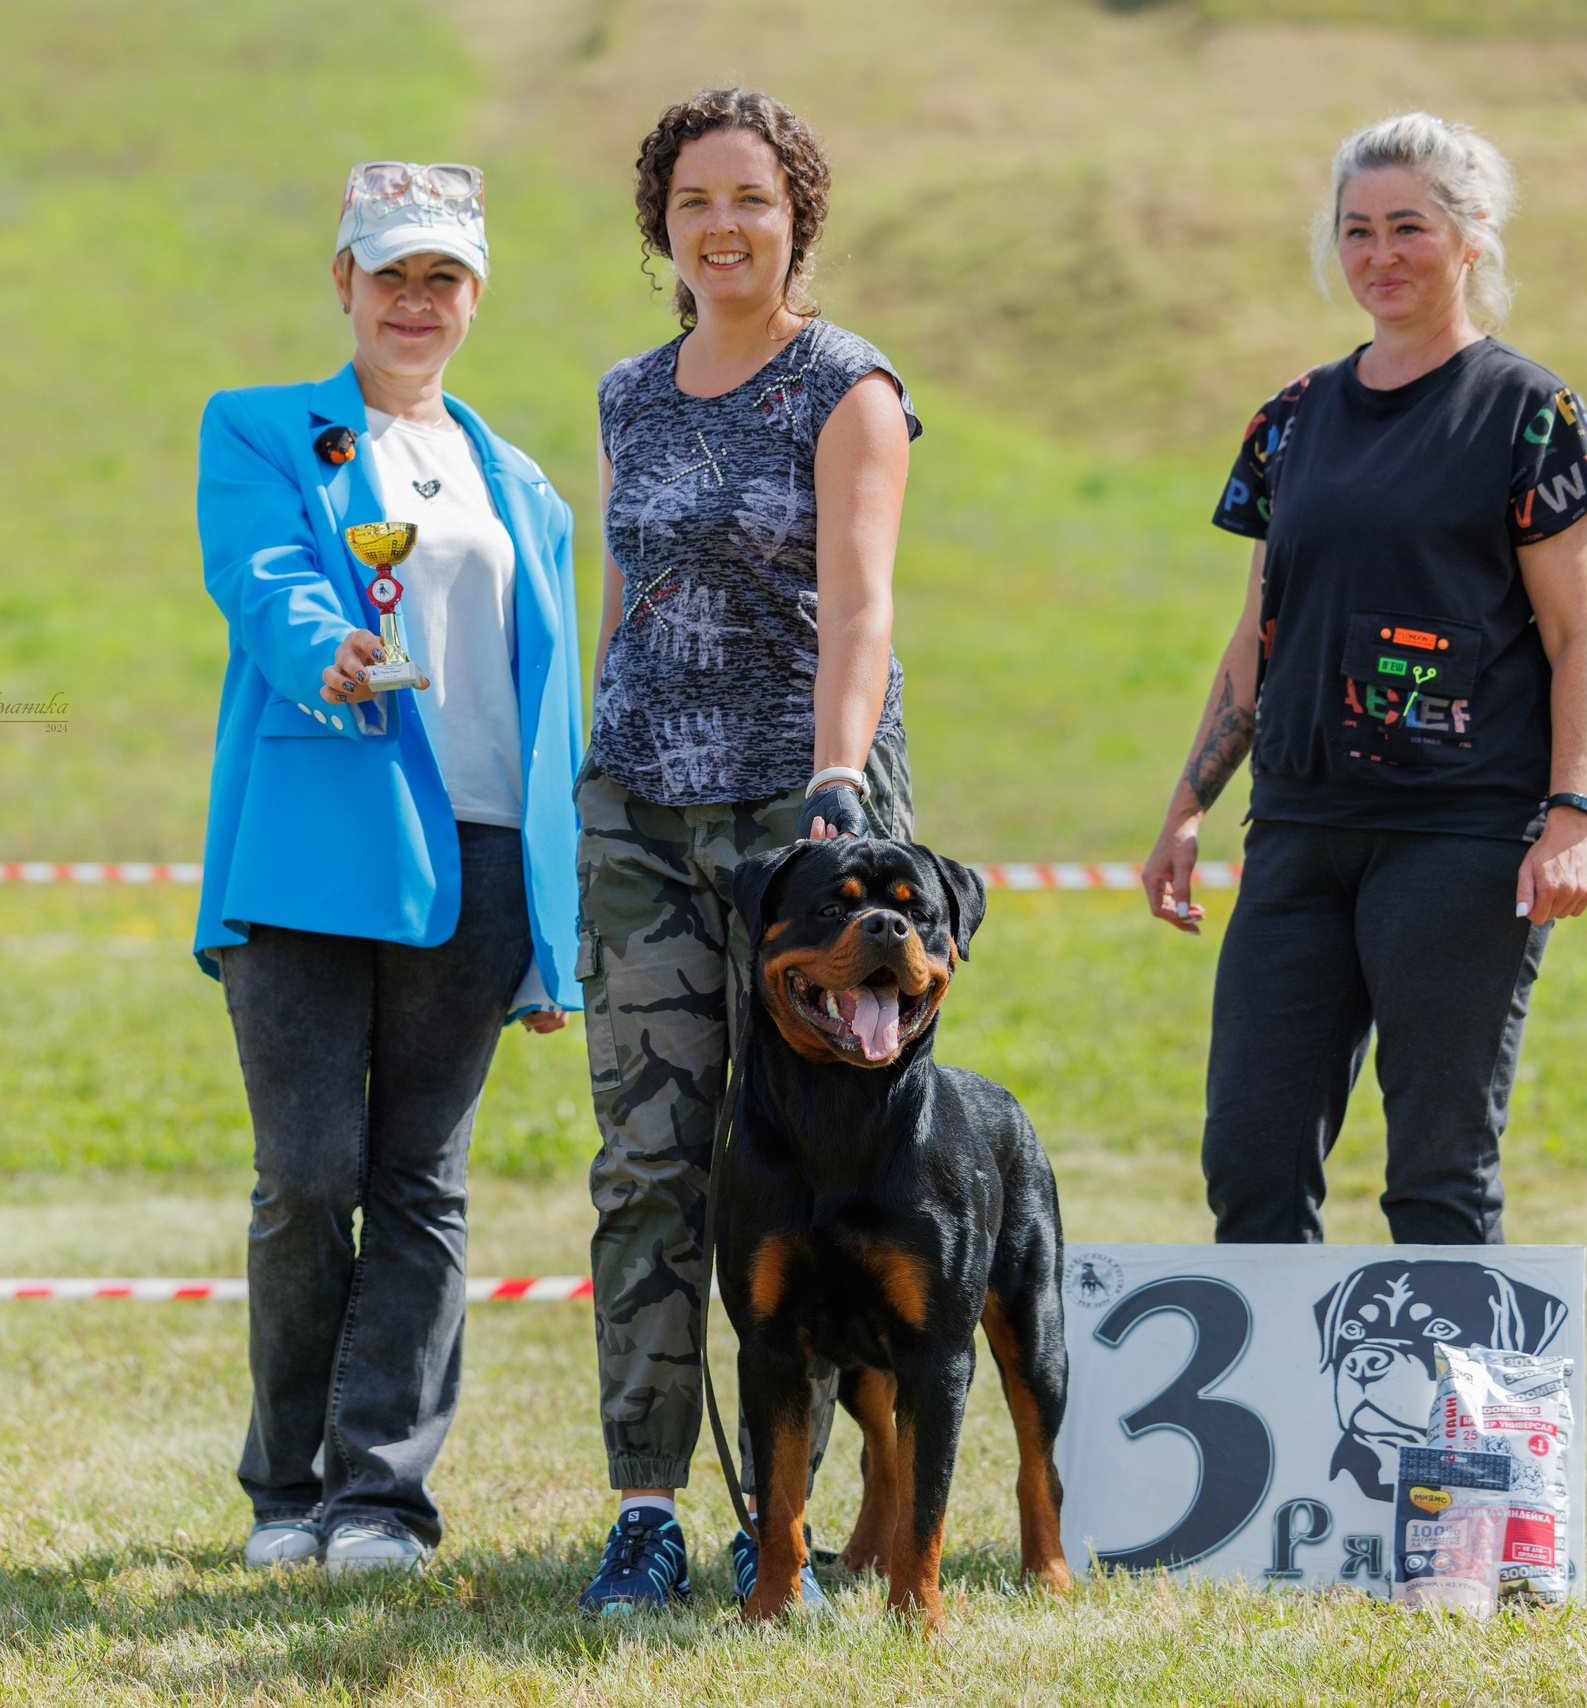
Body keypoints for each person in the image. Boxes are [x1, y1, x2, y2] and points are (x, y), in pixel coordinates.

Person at [192, 159, 582, 1575]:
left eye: (443, 278)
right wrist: (325, 652)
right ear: (342, 283)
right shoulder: (258, 433)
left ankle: (382, 1501)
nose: (414, 302)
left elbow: (558, 711)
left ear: (473, 297)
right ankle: (285, 1490)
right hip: (308, 853)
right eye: (390, 274)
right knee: (304, 1175)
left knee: (419, 1183)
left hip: (478, 862)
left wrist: (556, 924)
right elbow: (263, 581)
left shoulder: (524, 482)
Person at [1141, 112, 1587, 1249]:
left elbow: (1578, 633)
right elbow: (1261, 621)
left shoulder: (1528, 413)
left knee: (1437, 1174)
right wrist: (1190, 802)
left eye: (1408, 227)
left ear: (1470, 236)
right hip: (1299, 829)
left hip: (1459, 838)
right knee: (1249, 1160)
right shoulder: (1291, 420)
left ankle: (1450, 1429)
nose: (1379, 255)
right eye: (1357, 231)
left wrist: (1570, 814)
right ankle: (1286, 1429)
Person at [570, 88, 920, 1615]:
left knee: (814, 1174)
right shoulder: (627, 396)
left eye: (754, 199)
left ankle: (797, 1514)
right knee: (648, 1162)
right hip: (641, 814)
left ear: (799, 218)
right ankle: (647, 1504)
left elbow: (861, 605)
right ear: (662, 220)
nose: (725, 224)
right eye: (697, 198)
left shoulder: (848, 386)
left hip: (805, 832)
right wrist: (590, 768)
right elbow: (626, 598)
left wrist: (841, 777)